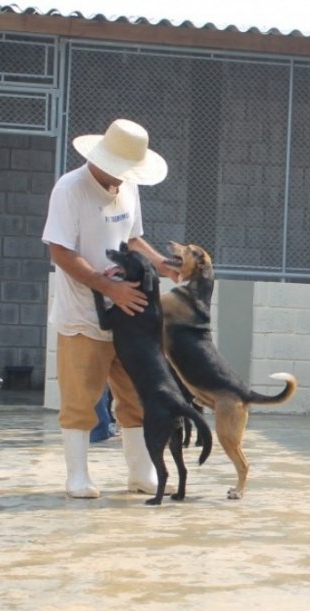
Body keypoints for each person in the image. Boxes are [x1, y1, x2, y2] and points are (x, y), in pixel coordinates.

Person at [42, 118, 177, 498]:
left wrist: (161, 264)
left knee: (136, 393)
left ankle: (140, 472)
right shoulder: (70, 190)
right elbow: (60, 250)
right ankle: (78, 476)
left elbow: (132, 238)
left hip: (129, 318)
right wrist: (106, 287)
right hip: (83, 315)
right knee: (81, 396)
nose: (123, 177)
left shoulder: (128, 187)